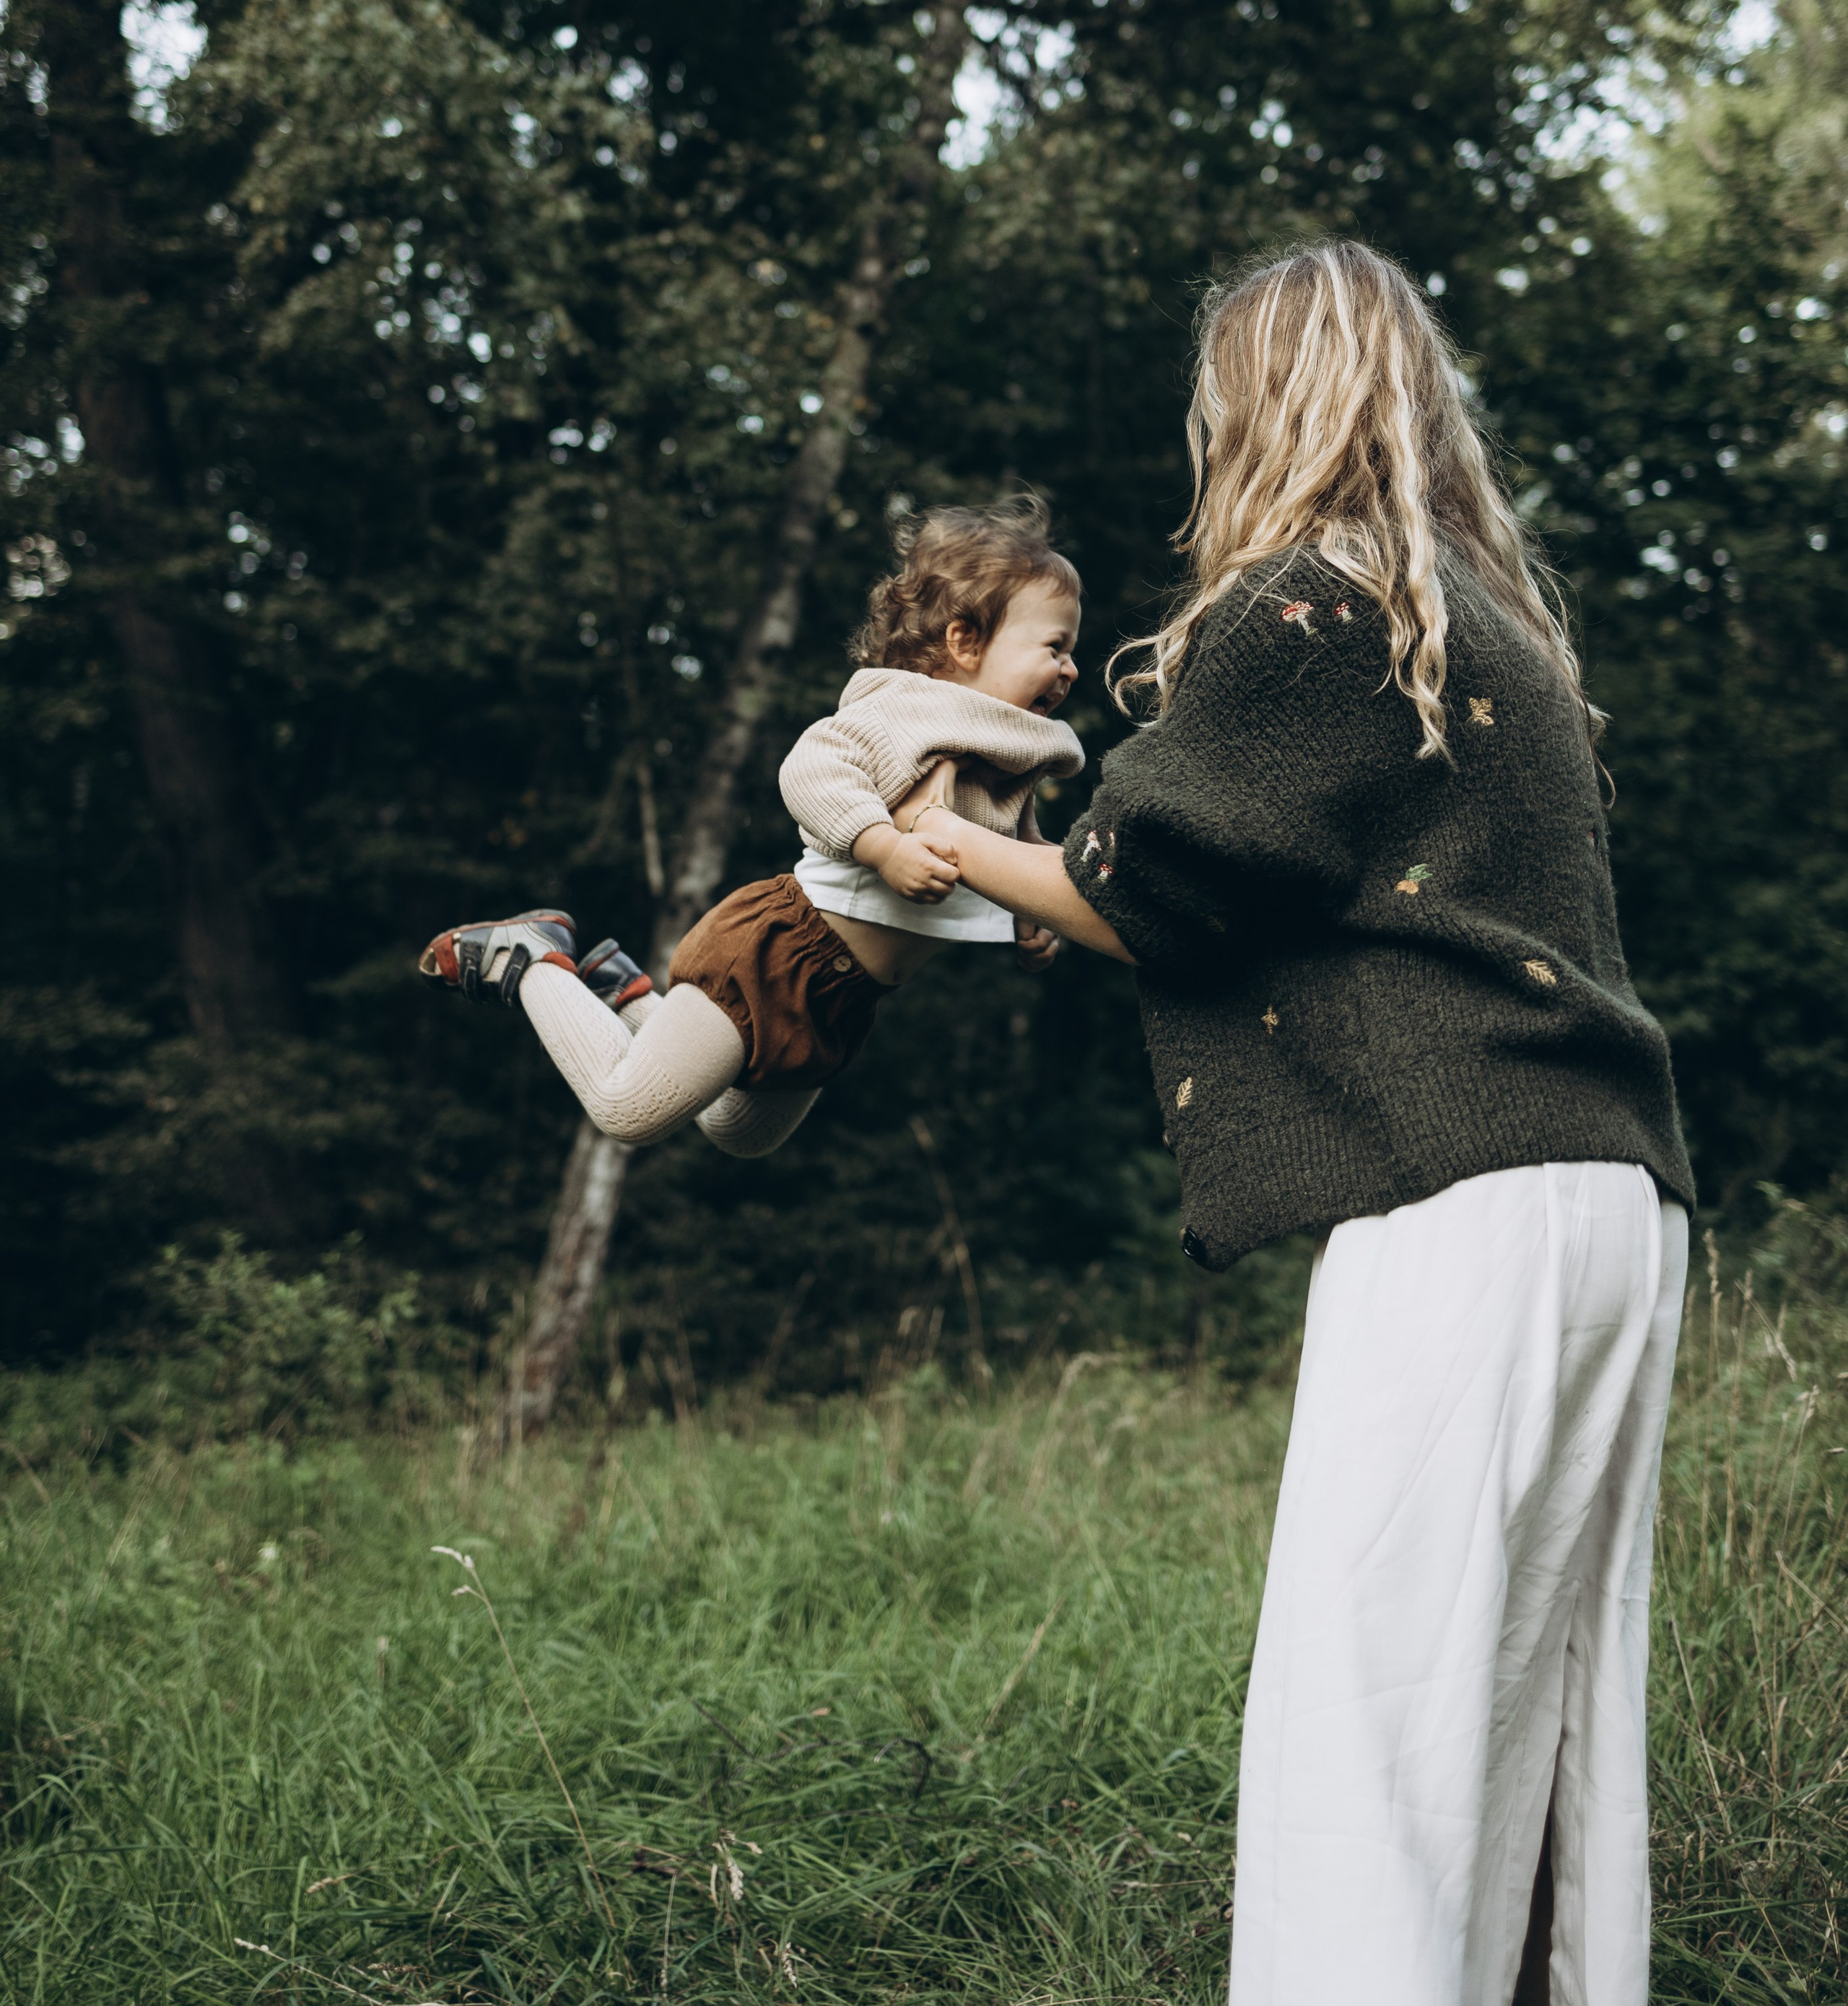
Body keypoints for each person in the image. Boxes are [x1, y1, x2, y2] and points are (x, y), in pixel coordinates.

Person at [902, 241, 1694, 2006]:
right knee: (1518, 1723)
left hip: (1461, 1202)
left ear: (1256, 400)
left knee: (1366, 1729)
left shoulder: (1309, 603)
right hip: (1607, 1195)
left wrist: (940, 848)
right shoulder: (1482, 627)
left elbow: (1154, 877)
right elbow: (1254, 887)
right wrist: (1057, 879)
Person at [417, 502, 1086, 1158]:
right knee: (627, 1109)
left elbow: (1018, 849)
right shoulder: (907, 710)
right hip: (780, 953)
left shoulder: (1005, 756)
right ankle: (527, 957)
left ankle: (623, 995)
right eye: (1054, 647)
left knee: (740, 1132)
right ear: (965, 641)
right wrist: (883, 850)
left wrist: (1032, 915)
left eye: (1072, 652)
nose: (1069, 669)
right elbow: (812, 772)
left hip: (848, 994)